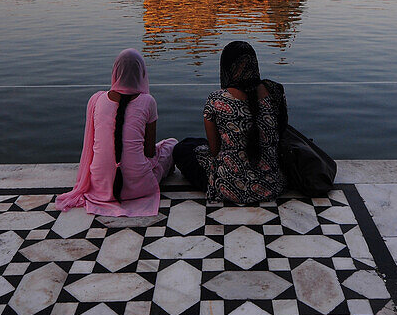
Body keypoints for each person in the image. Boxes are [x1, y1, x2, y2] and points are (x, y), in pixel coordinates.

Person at [56, 49, 176, 217]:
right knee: (171, 144)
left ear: (115, 72)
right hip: (139, 187)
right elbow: (149, 152)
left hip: (100, 185)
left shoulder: (97, 100)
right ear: (142, 73)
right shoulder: (148, 102)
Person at [173, 41, 287, 205]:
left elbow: (214, 151)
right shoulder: (276, 91)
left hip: (230, 187)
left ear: (227, 68)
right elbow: (280, 134)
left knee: (183, 148)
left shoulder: (216, 100)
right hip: (272, 185)